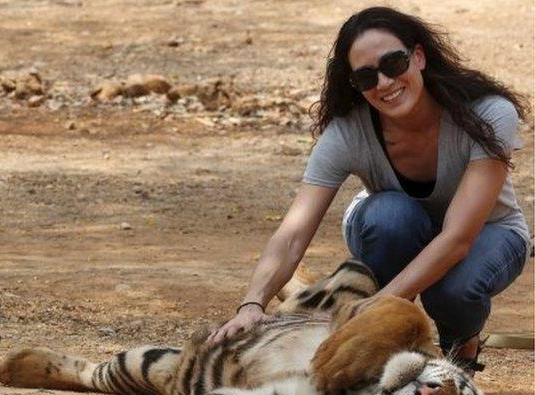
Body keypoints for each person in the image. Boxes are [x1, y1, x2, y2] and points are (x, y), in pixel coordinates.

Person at [209, 7, 529, 370]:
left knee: (453, 289)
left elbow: (457, 238)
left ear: (419, 56)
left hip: (488, 231)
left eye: (393, 63)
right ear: (355, 87)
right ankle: (387, 347)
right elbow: (294, 231)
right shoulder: (348, 132)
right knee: (388, 217)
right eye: (366, 77)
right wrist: (253, 303)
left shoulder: (488, 113)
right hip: (394, 226)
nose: (384, 83)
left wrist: (374, 308)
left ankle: (461, 344)